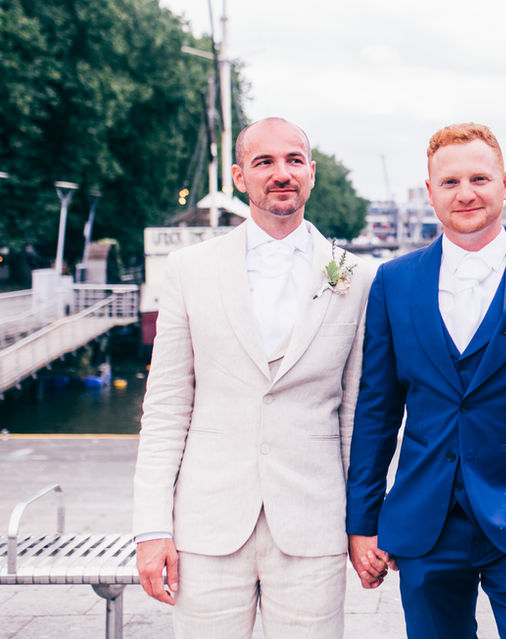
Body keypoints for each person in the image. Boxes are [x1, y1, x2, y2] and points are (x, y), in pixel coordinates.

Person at [346, 123, 506, 638]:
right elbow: (377, 408)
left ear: (505, 183)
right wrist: (362, 519)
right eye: (450, 183)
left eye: (479, 178)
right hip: (424, 523)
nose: (465, 193)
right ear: (430, 193)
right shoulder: (393, 282)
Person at [133, 117, 373, 638]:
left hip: (314, 524)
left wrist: (365, 523)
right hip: (207, 525)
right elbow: (167, 409)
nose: (280, 173)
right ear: (241, 177)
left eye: (293, 161)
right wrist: (152, 528)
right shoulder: (188, 269)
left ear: (311, 173)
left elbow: (357, 412)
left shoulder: (356, 276)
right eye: (264, 162)